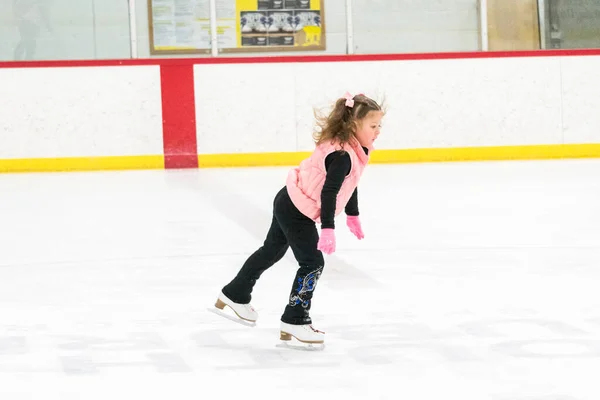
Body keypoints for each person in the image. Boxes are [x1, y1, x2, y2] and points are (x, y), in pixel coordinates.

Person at [214, 92, 384, 344]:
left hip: (289, 198)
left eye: (380, 125)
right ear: (353, 125)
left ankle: (235, 293)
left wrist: (352, 215)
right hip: (298, 210)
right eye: (373, 126)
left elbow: (351, 183)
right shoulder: (342, 155)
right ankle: (295, 319)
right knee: (312, 263)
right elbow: (329, 192)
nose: (378, 131)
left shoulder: (351, 148)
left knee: (272, 250)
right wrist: (328, 228)